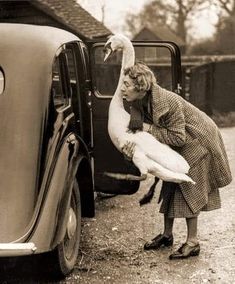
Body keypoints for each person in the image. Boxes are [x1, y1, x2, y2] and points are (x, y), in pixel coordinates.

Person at [121, 62, 232, 260]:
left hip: (198, 140)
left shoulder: (168, 102)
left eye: (127, 84)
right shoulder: (138, 103)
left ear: (141, 87)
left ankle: (193, 242)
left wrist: (147, 130)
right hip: (182, 140)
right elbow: (137, 131)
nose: (122, 88)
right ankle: (167, 235)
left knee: (189, 188)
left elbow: (178, 138)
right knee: (169, 184)